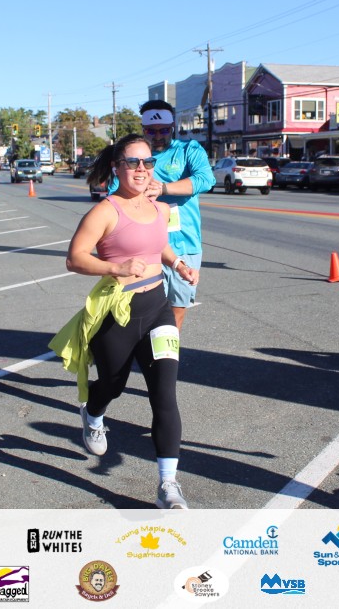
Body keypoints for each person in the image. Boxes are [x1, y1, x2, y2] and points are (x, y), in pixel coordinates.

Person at [50, 134, 198, 509]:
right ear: (117, 167)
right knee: (111, 386)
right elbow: (74, 258)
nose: (142, 169)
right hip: (118, 312)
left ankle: (168, 485)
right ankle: (92, 414)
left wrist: (178, 264)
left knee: (164, 395)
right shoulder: (105, 211)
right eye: (133, 162)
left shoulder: (159, 208)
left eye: (148, 162)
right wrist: (116, 268)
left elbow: (159, 246)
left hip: (158, 308)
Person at [137, 99, 214, 331]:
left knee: (176, 311)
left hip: (185, 244)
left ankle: (167, 352)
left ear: (173, 127)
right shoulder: (135, 157)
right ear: (143, 129)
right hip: (146, 246)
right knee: (146, 312)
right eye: (151, 131)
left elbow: (205, 179)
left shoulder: (189, 149)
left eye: (163, 130)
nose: (158, 136)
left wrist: (164, 189)